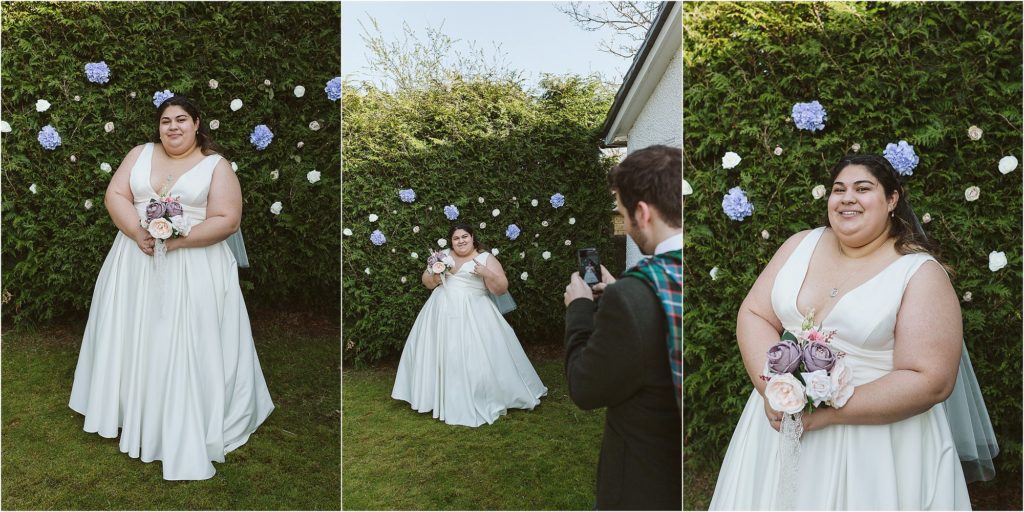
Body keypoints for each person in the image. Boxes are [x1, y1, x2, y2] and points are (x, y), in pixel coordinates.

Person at [710, 154, 970, 509]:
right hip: (779, 428)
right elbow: (754, 313)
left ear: (892, 199)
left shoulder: (919, 273)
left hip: (875, 446)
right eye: (838, 189)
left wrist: (825, 412)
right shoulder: (799, 244)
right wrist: (774, 389)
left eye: (863, 189)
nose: (847, 197)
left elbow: (931, 379)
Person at [69, 95, 274, 480]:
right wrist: (137, 233)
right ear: (158, 127)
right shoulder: (140, 153)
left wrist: (175, 241)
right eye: (166, 121)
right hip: (134, 260)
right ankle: (130, 411)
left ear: (197, 123)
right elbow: (116, 195)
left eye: (182, 119)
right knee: (134, 334)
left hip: (195, 265)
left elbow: (228, 219)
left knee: (182, 338)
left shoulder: (216, 165)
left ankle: (182, 415)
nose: (173, 127)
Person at [563, 144, 682, 510]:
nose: (625, 225)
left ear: (642, 213)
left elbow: (585, 387)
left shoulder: (634, 296)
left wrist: (579, 308)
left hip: (645, 483)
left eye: (622, 214)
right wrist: (621, 289)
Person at [392, 222, 547, 427]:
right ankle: (434, 397)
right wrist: (435, 275)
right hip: (438, 316)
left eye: (464, 236)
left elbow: (501, 288)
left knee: (472, 356)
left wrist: (486, 273)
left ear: (473, 237)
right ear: (451, 242)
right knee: (439, 354)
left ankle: (480, 395)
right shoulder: (443, 256)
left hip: (475, 315)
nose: (461, 241)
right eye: (456, 238)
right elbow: (426, 282)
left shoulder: (486, 258)